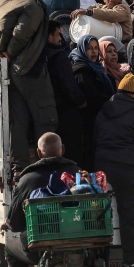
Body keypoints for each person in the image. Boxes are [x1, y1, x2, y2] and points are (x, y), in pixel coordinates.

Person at [0, 0, 58, 174]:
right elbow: (22, 32)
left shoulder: (1, 2)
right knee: (45, 117)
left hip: (8, 73)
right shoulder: (33, 4)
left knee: (18, 122)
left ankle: (19, 167)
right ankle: (47, 167)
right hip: (29, 69)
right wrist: (10, 52)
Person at [3, 133, 79, 267]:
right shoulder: (78, 174)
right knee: (102, 247)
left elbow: (15, 225)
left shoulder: (27, 179)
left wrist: (9, 222)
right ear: (63, 149)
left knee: (9, 248)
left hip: (39, 247)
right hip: (78, 243)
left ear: (38, 153)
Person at [94, 74, 134, 267]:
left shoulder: (103, 109)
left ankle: (98, 261)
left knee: (100, 217)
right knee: (127, 218)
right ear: (133, 94)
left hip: (102, 168)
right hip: (126, 168)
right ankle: (130, 261)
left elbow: (95, 137)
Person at [46, 20, 87, 166]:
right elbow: (69, 85)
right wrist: (81, 101)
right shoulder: (59, 56)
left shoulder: (36, 56)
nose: (60, 39)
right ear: (49, 36)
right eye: (57, 34)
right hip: (65, 113)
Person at [69, 35, 114, 170]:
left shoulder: (97, 68)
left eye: (96, 48)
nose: (94, 52)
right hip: (87, 124)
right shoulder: (81, 71)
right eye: (89, 48)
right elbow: (91, 97)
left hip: (97, 121)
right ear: (82, 49)